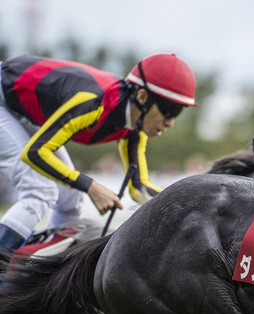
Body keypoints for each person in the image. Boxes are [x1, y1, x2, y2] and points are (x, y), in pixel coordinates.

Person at [0, 53, 197, 253]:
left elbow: (139, 188)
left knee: (71, 198)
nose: (170, 122)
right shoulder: (92, 102)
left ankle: (46, 275)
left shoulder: (136, 128)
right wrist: (91, 187)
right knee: (40, 191)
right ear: (142, 97)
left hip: (19, 107)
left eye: (178, 112)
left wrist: (184, 206)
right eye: (169, 110)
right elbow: (35, 153)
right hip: (4, 100)